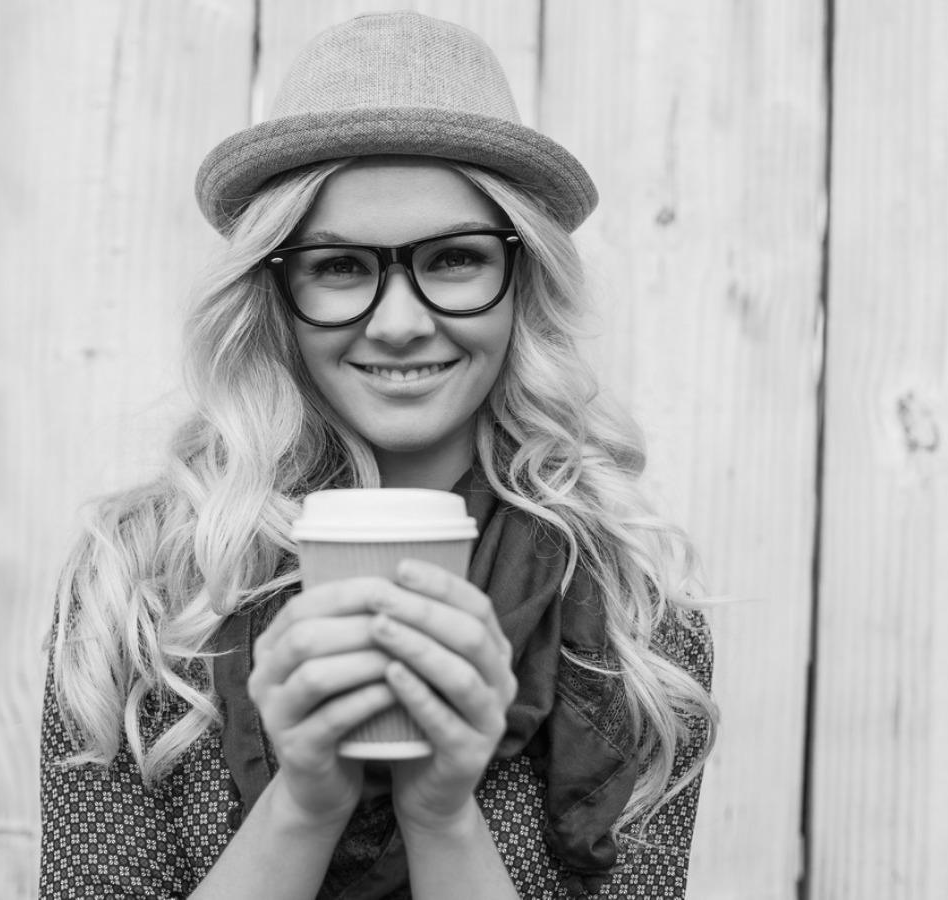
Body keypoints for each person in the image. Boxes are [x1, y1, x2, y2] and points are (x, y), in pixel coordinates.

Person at [39, 11, 718, 899]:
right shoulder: (137, 589)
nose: (399, 324)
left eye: (456, 259)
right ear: (275, 290)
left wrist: (440, 813)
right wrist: (305, 806)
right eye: (340, 268)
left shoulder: (637, 619)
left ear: (524, 283)